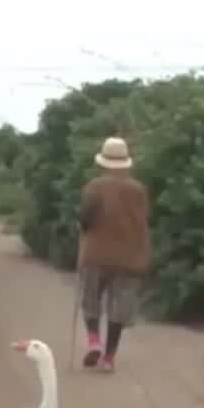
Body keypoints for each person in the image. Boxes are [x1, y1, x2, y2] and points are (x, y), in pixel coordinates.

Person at [76, 136, 152, 373]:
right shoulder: (138, 190)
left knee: (91, 301)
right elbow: (142, 223)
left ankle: (93, 342)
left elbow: (85, 219)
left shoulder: (94, 187)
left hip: (96, 254)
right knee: (119, 308)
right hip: (129, 257)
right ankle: (108, 358)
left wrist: (81, 225)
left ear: (103, 161)